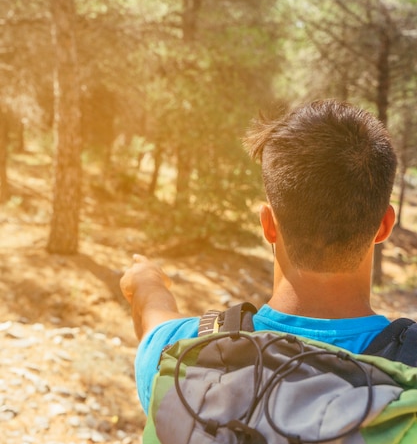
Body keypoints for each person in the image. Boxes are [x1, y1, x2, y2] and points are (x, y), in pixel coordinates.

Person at [120, 98, 398, 416]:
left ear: (268, 224)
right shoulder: (410, 373)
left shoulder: (183, 356)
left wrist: (147, 281)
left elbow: (153, 321)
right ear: (385, 225)